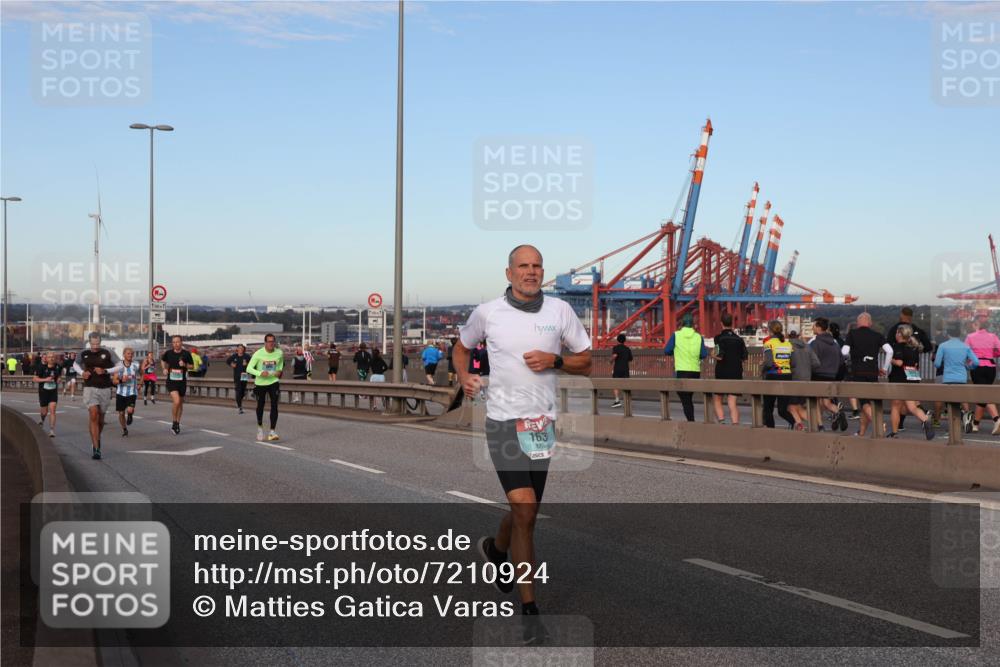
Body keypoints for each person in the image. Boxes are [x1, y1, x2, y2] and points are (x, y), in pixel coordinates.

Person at [454, 244, 591, 642]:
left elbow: (586, 358)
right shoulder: (487, 313)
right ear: (509, 273)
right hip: (501, 420)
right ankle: (530, 614)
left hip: (540, 424)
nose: (531, 272)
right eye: (523, 266)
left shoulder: (560, 312)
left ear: (542, 272)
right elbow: (461, 348)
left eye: (537, 266)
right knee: (525, 506)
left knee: (525, 514)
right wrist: (463, 376)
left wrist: (557, 362)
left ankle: (497, 551)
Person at [842, 313, 893, 437]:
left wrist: (850, 358)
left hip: (858, 372)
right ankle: (862, 432)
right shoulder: (877, 335)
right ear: (870, 323)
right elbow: (890, 351)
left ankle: (879, 424)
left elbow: (844, 351)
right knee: (869, 402)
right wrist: (885, 368)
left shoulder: (852, 334)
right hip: (872, 372)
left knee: (864, 402)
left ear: (858, 322)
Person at [73, 332, 122, 460]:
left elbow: (120, 366)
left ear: (100, 342)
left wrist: (105, 371)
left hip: (105, 389)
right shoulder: (83, 353)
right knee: (93, 414)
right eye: (93, 344)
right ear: (89, 342)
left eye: (97, 343)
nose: (95, 346)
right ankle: (96, 448)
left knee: (100, 420)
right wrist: (82, 373)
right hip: (90, 388)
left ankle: (96, 439)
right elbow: (75, 364)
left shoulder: (108, 352)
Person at [886, 307, 933, 430]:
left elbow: (888, 349)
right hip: (913, 370)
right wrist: (916, 351)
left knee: (897, 403)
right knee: (911, 402)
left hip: (899, 373)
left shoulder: (895, 331)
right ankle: (922, 417)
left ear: (901, 315)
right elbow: (928, 347)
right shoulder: (917, 331)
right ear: (911, 316)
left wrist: (890, 359)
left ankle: (896, 429)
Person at [934, 322, 979, 433]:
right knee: (961, 400)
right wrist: (968, 367)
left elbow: (937, 364)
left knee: (951, 403)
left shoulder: (943, 346)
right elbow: (976, 362)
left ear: (948, 333)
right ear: (959, 334)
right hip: (961, 377)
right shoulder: (965, 346)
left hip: (948, 378)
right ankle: (965, 417)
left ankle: (953, 428)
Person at [664, 312, 709, 422]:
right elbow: (703, 354)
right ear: (693, 324)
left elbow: (667, 350)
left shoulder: (676, 335)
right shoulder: (698, 337)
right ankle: (691, 420)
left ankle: (691, 422)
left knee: (685, 399)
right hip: (695, 372)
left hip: (681, 371)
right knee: (688, 398)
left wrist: (676, 352)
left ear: (682, 324)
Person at [809, 317, 848, 431]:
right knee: (826, 402)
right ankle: (838, 411)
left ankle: (820, 425)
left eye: (814, 325)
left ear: (818, 327)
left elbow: (812, 360)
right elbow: (841, 360)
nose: (812, 327)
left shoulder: (816, 343)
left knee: (815, 401)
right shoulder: (834, 343)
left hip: (817, 374)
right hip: (831, 375)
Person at [965, 318, 1000, 435]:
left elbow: (966, 352)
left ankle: (997, 419)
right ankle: (975, 424)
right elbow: (999, 350)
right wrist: (991, 353)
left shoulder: (970, 336)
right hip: (991, 366)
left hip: (977, 366)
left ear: (977, 324)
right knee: (983, 394)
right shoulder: (993, 336)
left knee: (983, 394)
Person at [247, 333, 284, 442]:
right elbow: (249, 368)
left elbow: (281, 364)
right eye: (269, 341)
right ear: (265, 343)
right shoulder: (258, 354)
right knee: (260, 405)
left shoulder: (279, 353)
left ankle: (272, 431)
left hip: (273, 381)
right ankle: (260, 427)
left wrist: (279, 371)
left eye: (273, 341)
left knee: (274, 405)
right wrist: (259, 373)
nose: (271, 343)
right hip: (260, 383)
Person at [711, 312, 747, 425]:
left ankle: (722, 422)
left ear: (721, 323)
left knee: (717, 399)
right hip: (736, 372)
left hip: (722, 372)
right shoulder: (739, 339)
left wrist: (712, 355)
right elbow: (744, 357)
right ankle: (735, 424)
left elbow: (719, 356)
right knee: (732, 402)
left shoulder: (718, 338)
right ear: (732, 323)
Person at [761, 321, 796, 428]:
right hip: (787, 376)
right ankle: (795, 424)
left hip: (773, 375)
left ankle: (771, 431)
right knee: (782, 410)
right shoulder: (788, 344)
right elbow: (793, 363)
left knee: (768, 408)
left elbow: (769, 363)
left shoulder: (769, 343)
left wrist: (762, 368)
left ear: (770, 331)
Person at [161, 335, 194, 435]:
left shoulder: (186, 353)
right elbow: (163, 360)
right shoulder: (169, 353)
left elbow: (192, 366)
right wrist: (164, 369)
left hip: (182, 381)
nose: (176, 344)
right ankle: (174, 421)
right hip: (171, 381)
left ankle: (177, 423)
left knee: (180, 404)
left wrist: (184, 365)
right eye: (174, 342)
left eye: (177, 342)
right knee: (177, 400)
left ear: (181, 343)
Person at [787, 330, 819, 430]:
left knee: (791, 407)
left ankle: (800, 425)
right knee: (799, 407)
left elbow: (786, 363)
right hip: (806, 380)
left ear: (788, 335)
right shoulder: (807, 346)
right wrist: (807, 369)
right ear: (799, 335)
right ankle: (816, 425)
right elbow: (816, 363)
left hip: (793, 380)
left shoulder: (788, 347)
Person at [113, 347, 140, 437]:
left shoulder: (136, 364)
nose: (130, 355)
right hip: (120, 392)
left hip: (132, 392)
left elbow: (143, 373)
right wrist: (121, 380)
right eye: (128, 353)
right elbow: (114, 381)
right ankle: (124, 429)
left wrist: (141, 383)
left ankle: (130, 415)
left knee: (129, 409)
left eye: (132, 354)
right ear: (124, 355)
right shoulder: (119, 366)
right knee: (121, 413)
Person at [33, 352, 61, 437]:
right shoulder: (41, 367)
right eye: (49, 357)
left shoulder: (58, 366)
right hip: (43, 392)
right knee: (44, 412)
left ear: (55, 358)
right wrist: (45, 379)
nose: (51, 358)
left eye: (53, 357)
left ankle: (52, 430)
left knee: (52, 410)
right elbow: (34, 379)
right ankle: (42, 419)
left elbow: (59, 376)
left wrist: (59, 379)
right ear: (46, 359)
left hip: (53, 392)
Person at [226, 344, 252, 414]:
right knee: (238, 390)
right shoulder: (234, 356)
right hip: (237, 376)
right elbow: (227, 361)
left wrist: (247, 364)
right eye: (239, 348)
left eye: (242, 348)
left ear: (243, 349)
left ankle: (240, 399)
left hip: (244, 375)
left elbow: (252, 363)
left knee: (243, 391)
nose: (240, 349)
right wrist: (232, 364)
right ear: (237, 349)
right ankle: (239, 407)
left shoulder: (246, 356)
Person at [610, 333, 633, 409]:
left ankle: (617, 401)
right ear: (624, 340)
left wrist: (610, 361)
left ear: (617, 340)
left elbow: (615, 356)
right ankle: (627, 401)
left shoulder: (616, 348)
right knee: (626, 385)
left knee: (615, 384)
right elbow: (630, 359)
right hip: (626, 369)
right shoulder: (627, 349)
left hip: (618, 369)